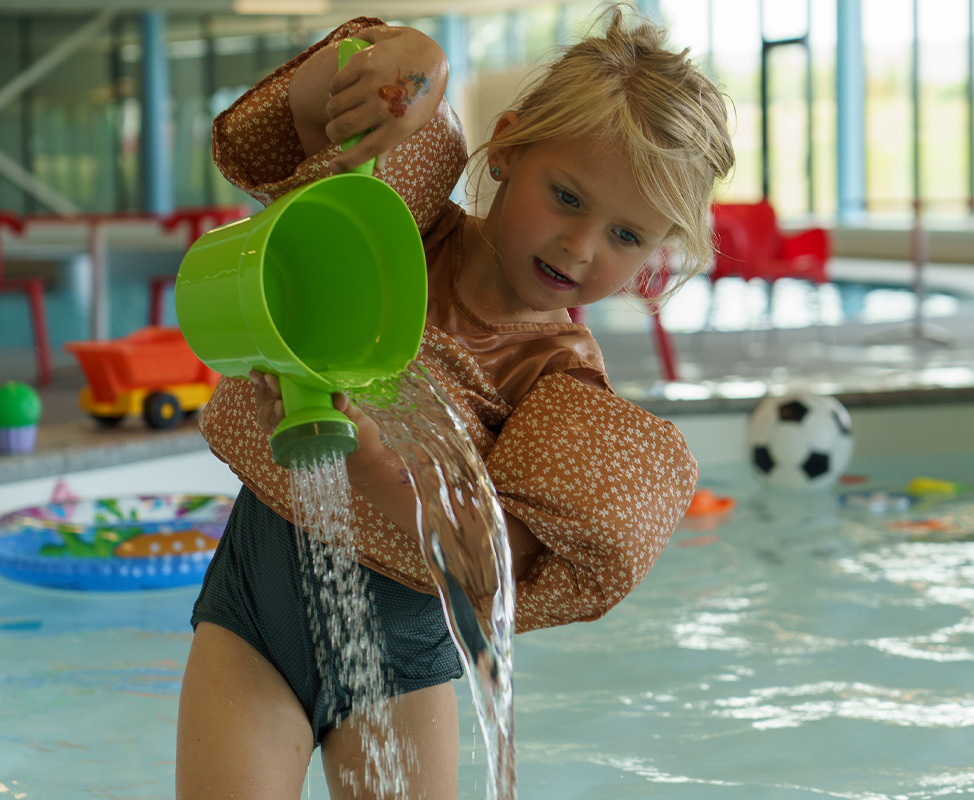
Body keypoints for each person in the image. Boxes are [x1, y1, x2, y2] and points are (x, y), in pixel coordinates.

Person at [175, 5, 735, 799]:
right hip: (256, 612)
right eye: (568, 198)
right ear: (505, 149)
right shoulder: (393, 223)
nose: (581, 247)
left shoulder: (557, 385)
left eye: (626, 237)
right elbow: (307, 118)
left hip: (402, 664)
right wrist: (404, 66)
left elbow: (492, 559)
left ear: (657, 254)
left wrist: (375, 467)